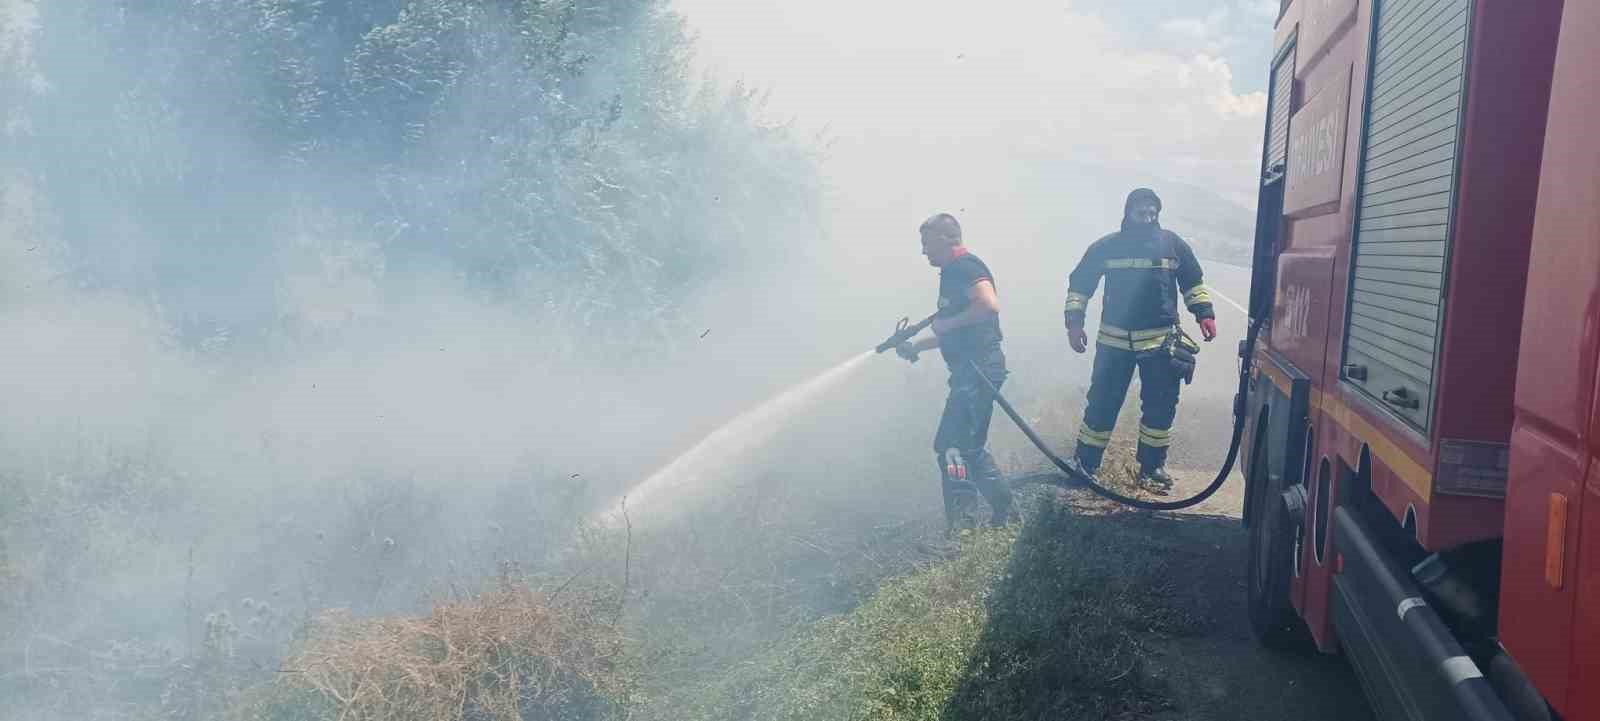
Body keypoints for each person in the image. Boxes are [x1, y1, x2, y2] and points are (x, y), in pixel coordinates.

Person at [1062, 188, 1217, 494]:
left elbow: (1193, 282)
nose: (1147, 218)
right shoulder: (1107, 247)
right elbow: (1080, 285)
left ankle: (1152, 468)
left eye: (1152, 213)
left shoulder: (1172, 244)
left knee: (1160, 407)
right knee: (1102, 404)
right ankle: (1086, 464)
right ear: (1128, 213)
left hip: (1160, 343)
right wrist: (1074, 323)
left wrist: (1204, 313)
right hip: (1114, 343)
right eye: (1141, 213)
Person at [895, 213, 1013, 530]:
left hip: (978, 371)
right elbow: (960, 327)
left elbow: (988, 306)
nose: (924, 251)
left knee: (954, 447)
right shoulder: (952, 273)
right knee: (962, 447)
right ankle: (1002, 516)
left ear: (948, 239)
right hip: (971, 371)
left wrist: (947, 323)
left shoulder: (966, 267)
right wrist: (918, 346)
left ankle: (966, 527)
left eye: (927, 243)